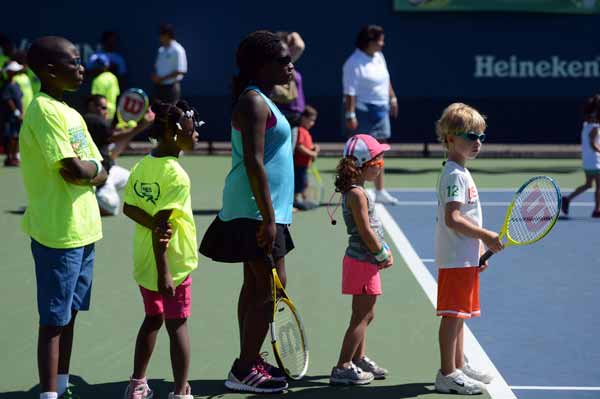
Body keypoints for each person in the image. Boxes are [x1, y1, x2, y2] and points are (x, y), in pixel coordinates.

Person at [199, 30, 294, 394]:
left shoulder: (262, 99)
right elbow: (254, 163)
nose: (290, 66)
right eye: (283, 60)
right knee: (270, 289)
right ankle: (243, 369)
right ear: (261, 66)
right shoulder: (253, 102)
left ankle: (248, 359)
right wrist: (269, 219)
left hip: (260, 209)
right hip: (255, 210)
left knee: (257, 286)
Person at [20, 36, 108, 399]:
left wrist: (92, 170)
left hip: (84, 230)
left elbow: (99, 167)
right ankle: (48, 394)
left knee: (69, 315)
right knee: (53, 320)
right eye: (73, 62)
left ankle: (60, 384)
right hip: (58, 232)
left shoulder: (71, 112)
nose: (81, 67)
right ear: (50, 71)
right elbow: (74, 169)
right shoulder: (43, 110)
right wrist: (92, 170)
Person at [122, 100, 200, 399]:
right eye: (192, 131)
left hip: (145, 262)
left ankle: (137, 384)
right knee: (177, 324)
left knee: (152, 318)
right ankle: (181, 392)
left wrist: (154, 223)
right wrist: (165, 271)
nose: (195, 135)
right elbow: (164, 228)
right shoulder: (177, 176)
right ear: (172, 132)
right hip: (173, 267)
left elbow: (130, 208)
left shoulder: (142, 165)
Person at [433, 103, 503, 395]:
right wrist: (486, 235)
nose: (477, 143)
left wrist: (476, 253)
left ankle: (458, 364)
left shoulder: (459, 170)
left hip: (463, 256)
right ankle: (447, 373)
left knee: (460, 314)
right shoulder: (455, 175)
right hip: (454, 258)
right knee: (453, 315)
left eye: (481, 137)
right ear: (450, 138)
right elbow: (454, 218)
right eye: (470, 136)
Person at [329, 134, 393, 385]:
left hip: (363, 261)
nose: (381, 165)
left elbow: (371, 229)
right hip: (363, 261)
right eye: (379, 160)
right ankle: (343, 365)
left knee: (366, 314)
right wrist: (381, 253)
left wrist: (381, 248)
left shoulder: (358, 191)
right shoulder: (357, 194)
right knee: (362, 316)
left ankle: (358, 358)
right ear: (365, 164)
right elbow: (365, 230)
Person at [342, 25, 399, 205]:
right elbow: (350, 91)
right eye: (380, 40)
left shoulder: (379, 57)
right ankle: (354, 190)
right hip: (362, 111)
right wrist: (350, 114)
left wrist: (393, 99)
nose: (383, 44)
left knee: (380, 150)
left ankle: (380, 190)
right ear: (369, 42)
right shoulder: (353, 62)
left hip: (381, 109)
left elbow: (386, 79)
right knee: (360, 154)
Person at [84, 94, 154, 215]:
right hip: (96, 177)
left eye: (107, 108)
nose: (106, 111)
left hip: (108, 171)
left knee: (134, 180)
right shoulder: (92, 120)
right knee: (112, 208)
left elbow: (113, 153)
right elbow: (114, 137)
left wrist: (137, 128)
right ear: (91, 106)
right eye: (103, 107)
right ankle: (89, 200)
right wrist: (141, 125)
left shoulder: (100, 126)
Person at [561, 94, 600, 218]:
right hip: (595, 161)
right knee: (598, 186)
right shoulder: (595, 127)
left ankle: (567, 199)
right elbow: (593, 144)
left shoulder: (586, 125)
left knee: (589, 184)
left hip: (588, 161)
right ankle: (597, 210)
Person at [271, 31, 306, 148]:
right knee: (283, 152)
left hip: (293, 117)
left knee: (288, 152)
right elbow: (300, 45)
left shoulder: (286, 62)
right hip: (283, 115)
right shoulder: (279, 62)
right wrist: (294, 34)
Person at [152, 24, 187, 104]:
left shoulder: (178, 50)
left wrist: (162, 79)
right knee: (157, 114)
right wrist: (156, 77)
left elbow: (181, 70)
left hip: (171, 88)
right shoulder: (161, 50)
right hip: (158, 87)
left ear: (167, 35)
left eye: (161, 35)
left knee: (170, 114)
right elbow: (157, 67)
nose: (160, 38)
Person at [293, 105, 320, 210]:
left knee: (304, 182)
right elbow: (299, 147)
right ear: (303, 118)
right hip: (299, 164)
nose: (312, 123)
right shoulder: (300, 130)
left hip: (305, 165)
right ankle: (295, 201)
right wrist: (311, 153)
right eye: (311, 120)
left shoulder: (306, 132)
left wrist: (314, 147)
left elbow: (307, 145)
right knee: (299, 183)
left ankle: (303, 200)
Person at [1, 61, 24, 166]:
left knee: (16, 137)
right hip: (9, 117)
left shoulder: (17, 84)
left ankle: (15, 156)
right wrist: (15, 112)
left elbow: (20, 98)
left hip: (18, 117)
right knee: (10, 137)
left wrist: (22, 112)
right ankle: (9, 158)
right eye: (13, 71)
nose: (15, 73)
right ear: (9, 72)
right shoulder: (6, 85)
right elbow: (8, 100)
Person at [88, 53, 120, 122]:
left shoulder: (97, 80)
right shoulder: (113, 77)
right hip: (112, 113)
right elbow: (117, 95)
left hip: (102, 114)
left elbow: (99, 100)